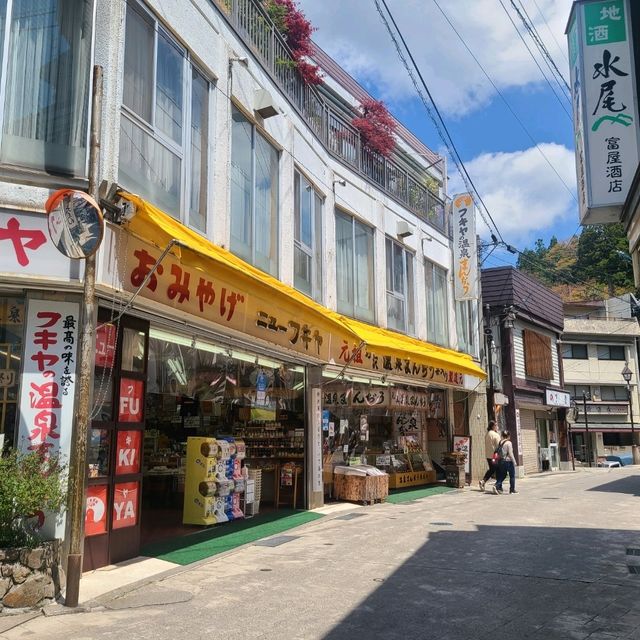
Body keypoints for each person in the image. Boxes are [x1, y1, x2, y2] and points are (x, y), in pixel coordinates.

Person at [493, 430, 518, 495]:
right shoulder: (509, 443)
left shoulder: (500, 442)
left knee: (503, 475)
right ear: (508, 436)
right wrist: (514, 461)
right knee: (512, 475)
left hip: (501, 461)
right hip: (508, 461)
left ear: (502, 435)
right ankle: (512, 490)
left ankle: (496, 485)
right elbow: (510, 453)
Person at [479, 420, 500, 491]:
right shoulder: (495, 435)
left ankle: (483, 481)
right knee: (498, 470)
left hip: (488, 455)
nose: (497, 426)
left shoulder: (487, 434)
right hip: (495, 455)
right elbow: (499, 446)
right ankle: (497, 486)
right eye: (496, 425)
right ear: (493, 426)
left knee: (492, 469)